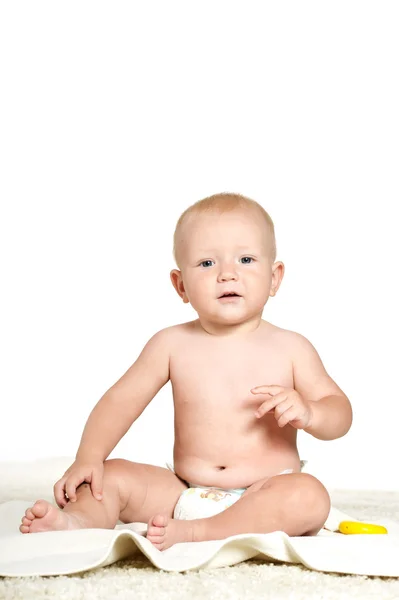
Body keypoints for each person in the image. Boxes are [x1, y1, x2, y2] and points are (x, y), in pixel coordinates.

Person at [20, 192, 353, 551]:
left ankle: (201, 534)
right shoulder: (171, 344)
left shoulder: (292, 348)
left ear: (275, 278)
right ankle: (78, 523)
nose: (227, 274)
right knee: (112, 474)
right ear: (181, 286)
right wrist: (88, 457)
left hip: (264, 494)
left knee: (309, 496)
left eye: (245, 259)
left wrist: (312, 412)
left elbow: (339, 412)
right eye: (207, 263)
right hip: (183, 493)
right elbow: (121, 401)